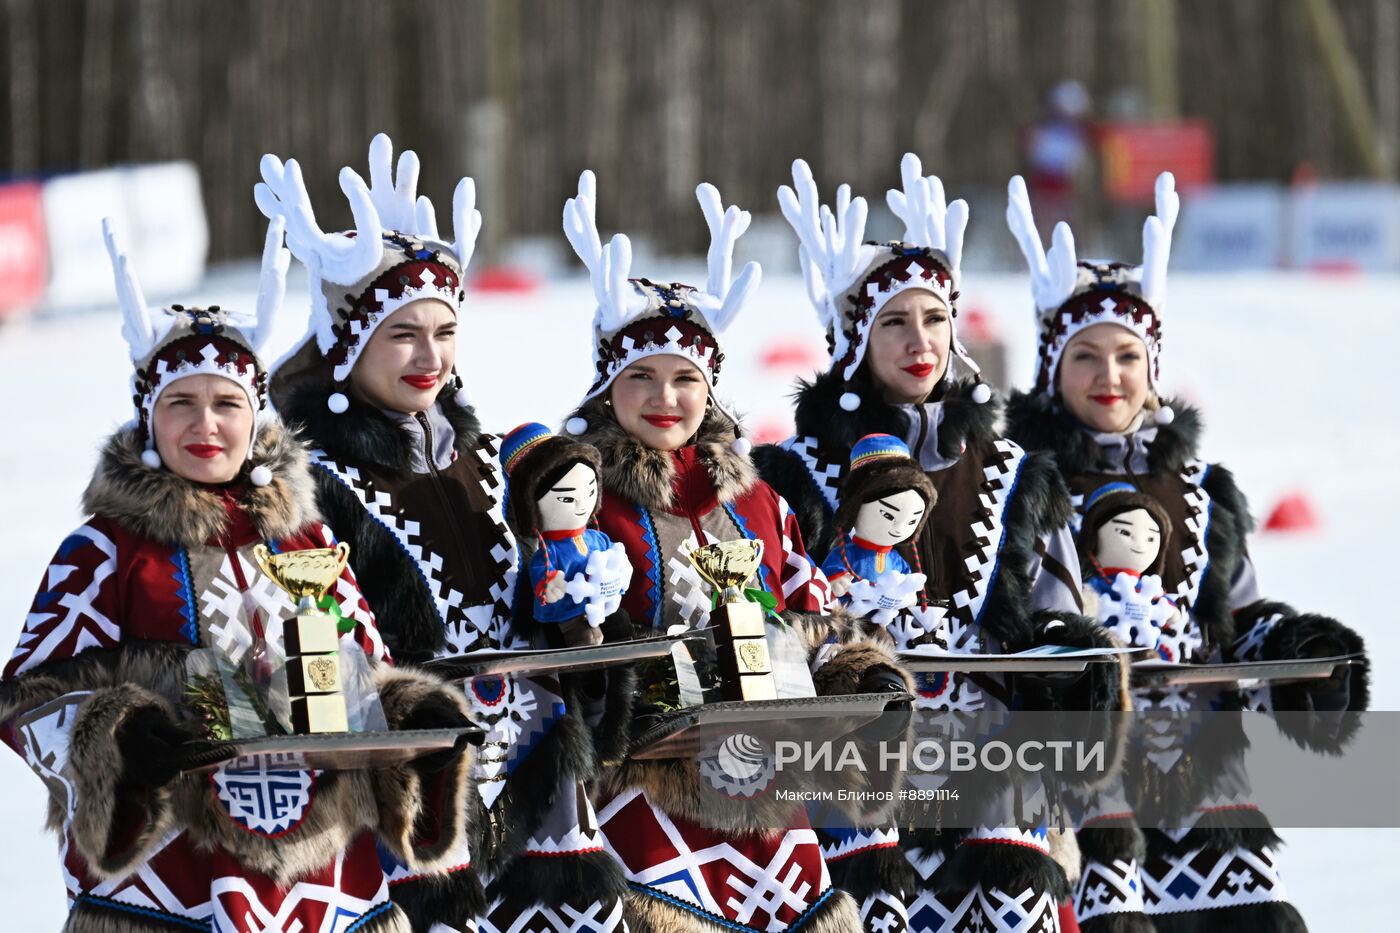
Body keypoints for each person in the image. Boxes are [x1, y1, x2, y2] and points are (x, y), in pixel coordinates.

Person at [0, 219, 475, 933]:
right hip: (168, 882)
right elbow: (29, 703)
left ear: (256, 424)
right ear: (149, 418)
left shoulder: (308, 537)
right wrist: (122, 740)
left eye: (228, 404)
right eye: (181, 403)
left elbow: (362, 671)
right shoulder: (102, 549)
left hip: (327, 884)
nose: (207, 424)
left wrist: (413, 722)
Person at [257, 135, 626, 931]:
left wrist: (579, 618)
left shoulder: (491, 460)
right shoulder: (303, 482)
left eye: (444, 330)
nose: (431, 356)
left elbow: (538, 603)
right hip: (406, 797)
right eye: (403, 334)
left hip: (539, 777)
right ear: (348, 344)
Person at [754, 155, 1128, 933]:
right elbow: (765, 626)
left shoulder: (1019, 475)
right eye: (894, 320)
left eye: (934, 318)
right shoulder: (790, 476)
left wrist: (1064, 672)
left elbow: (1061, 616)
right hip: (851, 783)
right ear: (855, 336)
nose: (919, 340)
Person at [1003, 171, 1369, 932]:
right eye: (1086, 358)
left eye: (1128, 357)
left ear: (1154, 368)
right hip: (1089, 785)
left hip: (1205, 778)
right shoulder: (1023, 485)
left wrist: (1293, 650)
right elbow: (1025, 625)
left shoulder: (1203, 488)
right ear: (1051, 369)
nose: (1111, 377)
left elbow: (1237, 615)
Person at [555, 170, 914, 933]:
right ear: (605, 385)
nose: (665, 397)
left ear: (710, 388)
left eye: (686, 378)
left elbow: (808, 613)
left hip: (765, 775)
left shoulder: (756, 500)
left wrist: (859, 670)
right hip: (644, 781)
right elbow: (562, 637)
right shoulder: (581, 495)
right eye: (641, 376)